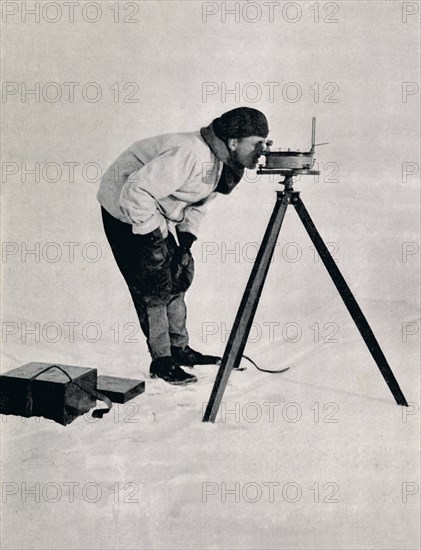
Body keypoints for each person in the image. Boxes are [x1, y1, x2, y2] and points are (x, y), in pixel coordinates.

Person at [97, 107, 269, 385]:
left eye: (265, 143)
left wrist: (185, 241)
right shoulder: (191, 153)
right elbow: (135, 191)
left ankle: (180, 350)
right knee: (154, 283)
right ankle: (162, 360)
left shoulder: (223, 163)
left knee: (179, 274)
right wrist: (152, 237)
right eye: (256, 143)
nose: (262, 150)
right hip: (124, 205)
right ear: (234, 142)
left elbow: (199, 202)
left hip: (155, 207)